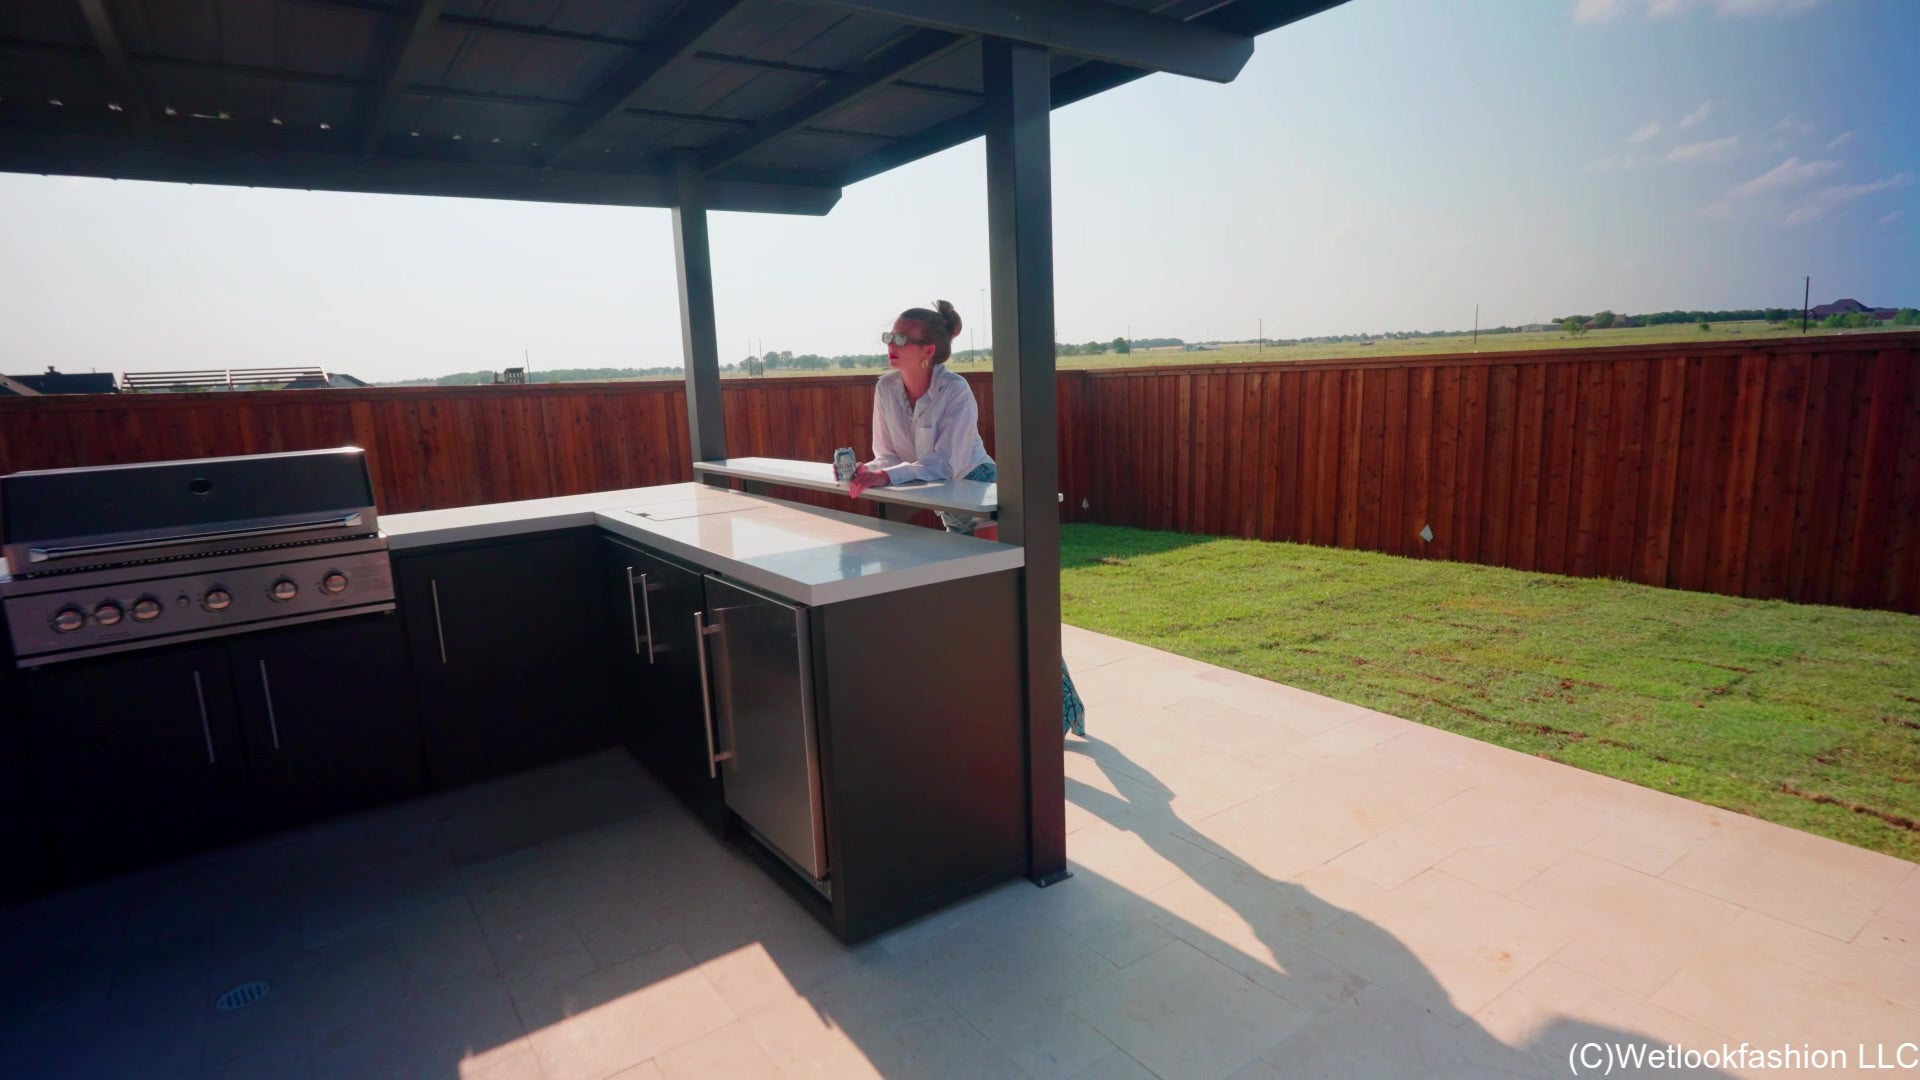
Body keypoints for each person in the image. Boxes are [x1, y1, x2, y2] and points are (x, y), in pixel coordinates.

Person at [849, 301, 1086, 737]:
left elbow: (947, 463)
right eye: (890, 337)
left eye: (902, 339)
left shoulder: (955, 390)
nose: (892, 346)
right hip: (949, 504)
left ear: (929, 349)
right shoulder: (885, 388)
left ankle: (1062, 706)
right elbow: (888, 453)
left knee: (1013, 604)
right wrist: (868, 469)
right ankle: (1031, 706)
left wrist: (891, 472)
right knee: (983, 611)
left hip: (983, 495)